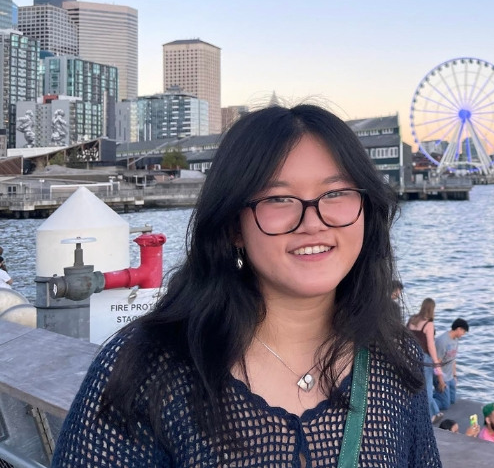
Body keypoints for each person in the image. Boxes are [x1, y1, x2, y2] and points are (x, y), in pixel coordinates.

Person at [51, 103, 441, 467]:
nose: (313, 221)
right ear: (234, 227)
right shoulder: (150, 368)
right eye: (278, 199)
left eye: (335, 193)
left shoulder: (395, 361)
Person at [407, 298, 445, 421]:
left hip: (409, 356)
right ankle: (428, 418)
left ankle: (415, 414)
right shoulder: (428, 324)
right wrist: (436, 363)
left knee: (412, 387)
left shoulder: (412, 320)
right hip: (423, 358)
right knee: (427, 388)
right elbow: (430, 345)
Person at [433, 318, 468, 411]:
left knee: (452, 400)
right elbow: (436, 363)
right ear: (458, 329)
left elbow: (453, 359)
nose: (463, 334)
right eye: (463, 332)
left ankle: (435, 394)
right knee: (445, 405)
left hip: (450, 376)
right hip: (440, 375)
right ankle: (427, 402)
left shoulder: (455, 340)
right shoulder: (442, 341)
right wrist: (441, 381)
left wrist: (454, 376)